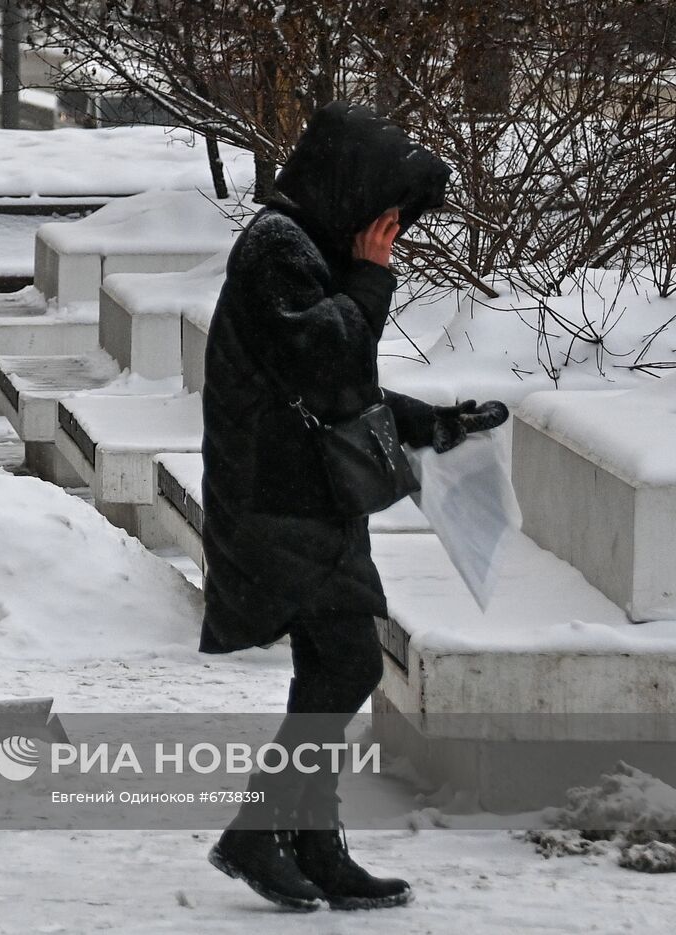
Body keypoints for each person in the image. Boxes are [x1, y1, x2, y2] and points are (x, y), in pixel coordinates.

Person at [199, 102, 508, 911]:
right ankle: (262, 832)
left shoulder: (307, 246)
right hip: (278, 498)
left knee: (331, 663)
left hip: (306, 496)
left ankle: (310, 841)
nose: (391, 235)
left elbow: (343, 385)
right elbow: (326, 353)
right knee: (347, 661)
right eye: (387, 217)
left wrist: (435, 423)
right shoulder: (276, 249)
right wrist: (372, 278)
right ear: (349, 189)